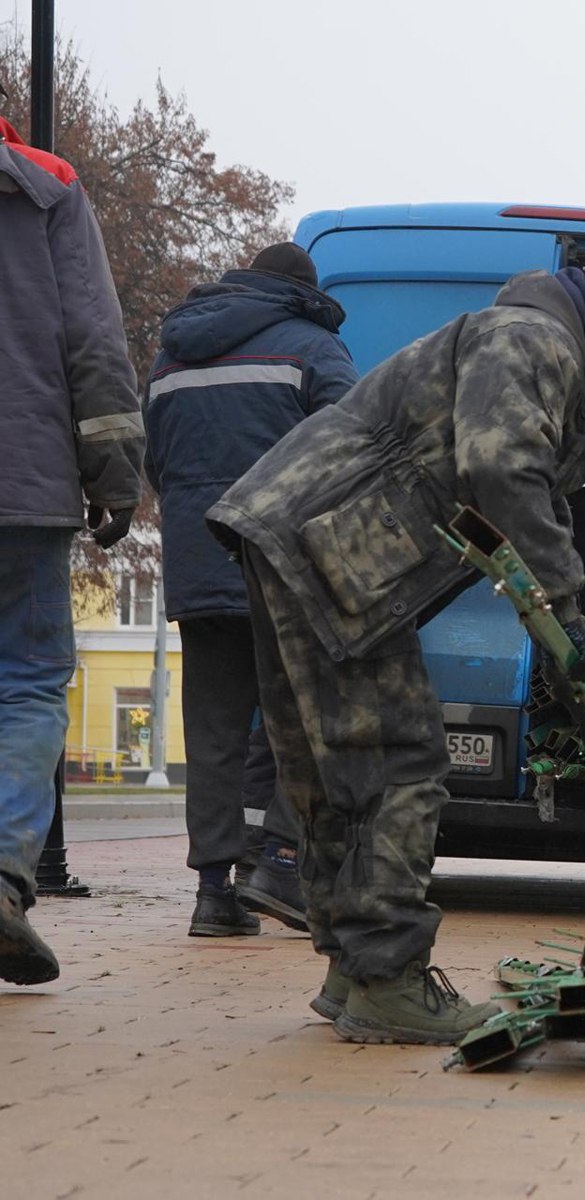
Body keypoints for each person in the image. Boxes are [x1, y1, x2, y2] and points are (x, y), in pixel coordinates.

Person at [207, 252, 585, 1043]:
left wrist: (563, 646)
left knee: (338, 769)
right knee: (403, 761)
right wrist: (565, 605)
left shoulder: (530, 343)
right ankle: (387, 977)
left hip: (300, 538)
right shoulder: (535, 341)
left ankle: (356, 966)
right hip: (335, 548)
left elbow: (500, 520)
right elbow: (501, 468)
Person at [144, 242, 359, 938]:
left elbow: (157, 461)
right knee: (304, 722)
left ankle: (213, 895)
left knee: (213, 732)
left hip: (200, 560)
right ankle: (280, 866)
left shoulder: (173, 352)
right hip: (283, 561)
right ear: (303, 292)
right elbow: (353, 451)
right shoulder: (315, 347)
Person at [0, 95, 143, 985]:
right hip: (22, 485)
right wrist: (115, 476)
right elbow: (93, 341)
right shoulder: (46, 189)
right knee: (25, 681)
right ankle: (5, 872)